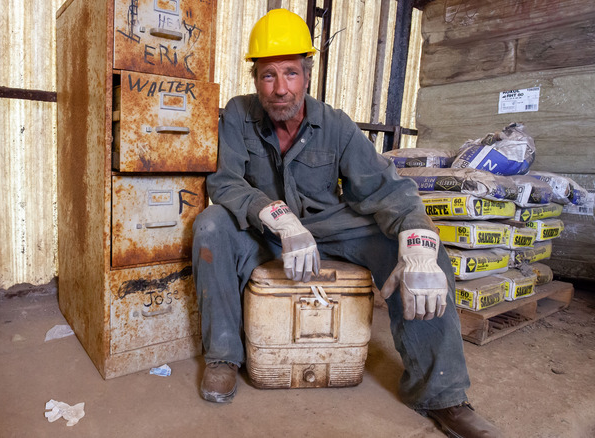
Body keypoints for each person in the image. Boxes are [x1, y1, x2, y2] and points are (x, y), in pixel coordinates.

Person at [191, 8, 502, 438]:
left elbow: (387, 189)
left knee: (416, 256)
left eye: (291, 74)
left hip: (330, 231)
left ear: (307, 73)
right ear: (254, 78)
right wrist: (278, 217)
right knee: (210, 226)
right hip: (264, 232)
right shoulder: (238, 115)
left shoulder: (335, 125)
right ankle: (223, 356)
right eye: (268, 76)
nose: (280, 88)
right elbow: (225, 182)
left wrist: (418, 240)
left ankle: (443, 394)